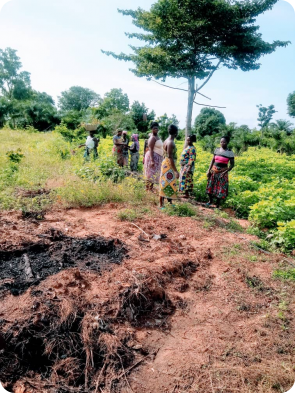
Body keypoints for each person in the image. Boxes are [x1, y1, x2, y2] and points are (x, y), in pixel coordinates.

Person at [206, 136, 235, 208]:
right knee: (210, 186)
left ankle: (217, 204)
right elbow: (212, 161)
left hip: (222, 172)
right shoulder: (217, 150)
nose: (222, 143)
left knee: (220, 188)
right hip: (214, 170)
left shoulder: (230, 152)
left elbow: (232, 165)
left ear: (227, 142)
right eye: (221, 142)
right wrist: (209, 170)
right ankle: (210, 201)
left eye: (224, 142)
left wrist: (225, 172)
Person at [159, 124, 179, 208]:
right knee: (164, 183)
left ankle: (170, 202)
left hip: (166, 164)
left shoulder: (167, 140)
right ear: (176, 132)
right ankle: (161, 204)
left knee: (169, 183)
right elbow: (170, 156)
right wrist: (175, 170)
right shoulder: (170, 142)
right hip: (168, 165)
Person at [144, 122, 163, 191]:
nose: (156, 129)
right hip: (152, 157)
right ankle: (147, 188)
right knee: (150, 173)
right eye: (154, 128)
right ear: (151, 129)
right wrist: (152, 160)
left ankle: (150, 188)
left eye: (157, 128)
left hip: (157, 157)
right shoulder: (152, 138)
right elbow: (151, 149)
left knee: (154, 173)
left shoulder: (157, 137)